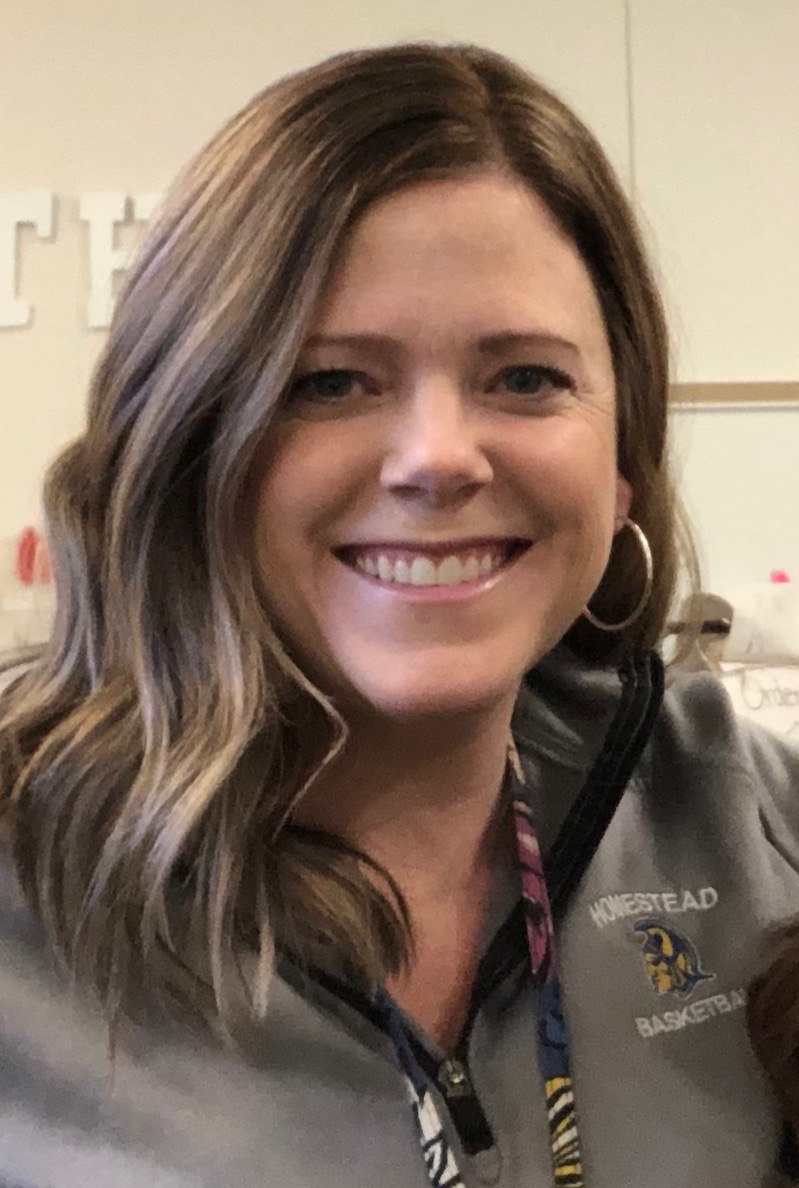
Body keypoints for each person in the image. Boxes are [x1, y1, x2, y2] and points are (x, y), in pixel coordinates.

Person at [0, 41, 797, 1188]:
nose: (436, 458)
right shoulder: (33, 885)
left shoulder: (744, 819)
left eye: (525, 377)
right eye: (328, 382)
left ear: (620, 465)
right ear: (184, 451)